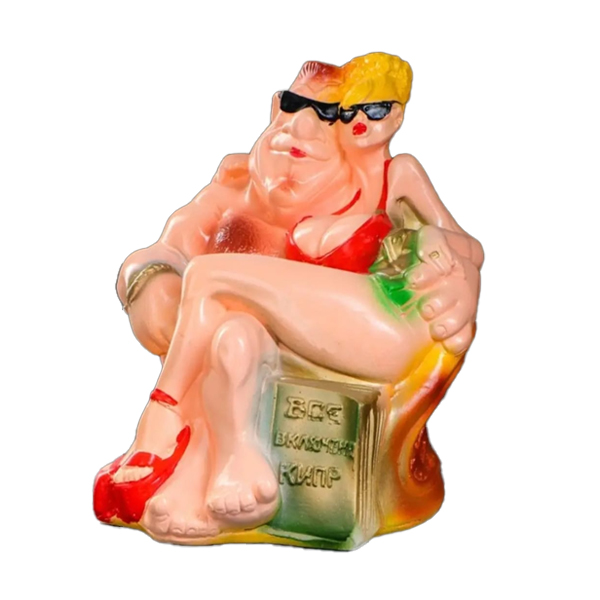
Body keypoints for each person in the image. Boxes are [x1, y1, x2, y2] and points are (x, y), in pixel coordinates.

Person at [94, 56, 483, 544]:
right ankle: (224, 467)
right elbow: (169, 245)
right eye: (295, 105)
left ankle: (161, 416)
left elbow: (464, 247)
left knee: (211, 277)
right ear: (276, 106)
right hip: (261, 340)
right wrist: (147, 279)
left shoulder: (387, 180)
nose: (303, 127)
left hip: (367, 326)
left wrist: (451, 269)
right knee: (233, 331)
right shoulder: (237, 183)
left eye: (330, 113)